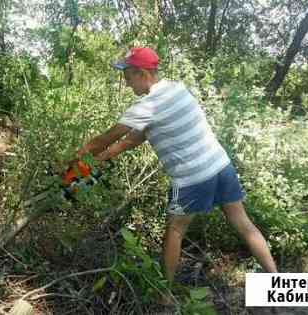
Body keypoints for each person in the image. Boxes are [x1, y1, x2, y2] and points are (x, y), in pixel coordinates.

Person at [74, 47, 277, 295]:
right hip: (220, 165)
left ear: (142, 73)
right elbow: (135, 138)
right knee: (244, 224)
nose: (127, 85)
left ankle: (165, 297)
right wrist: (103, 159)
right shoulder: (177, 89)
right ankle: (276, 284)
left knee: (175, 230)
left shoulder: (146, 106)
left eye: (128, 78)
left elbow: (104, 139)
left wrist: (74, 161)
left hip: (192, 179)